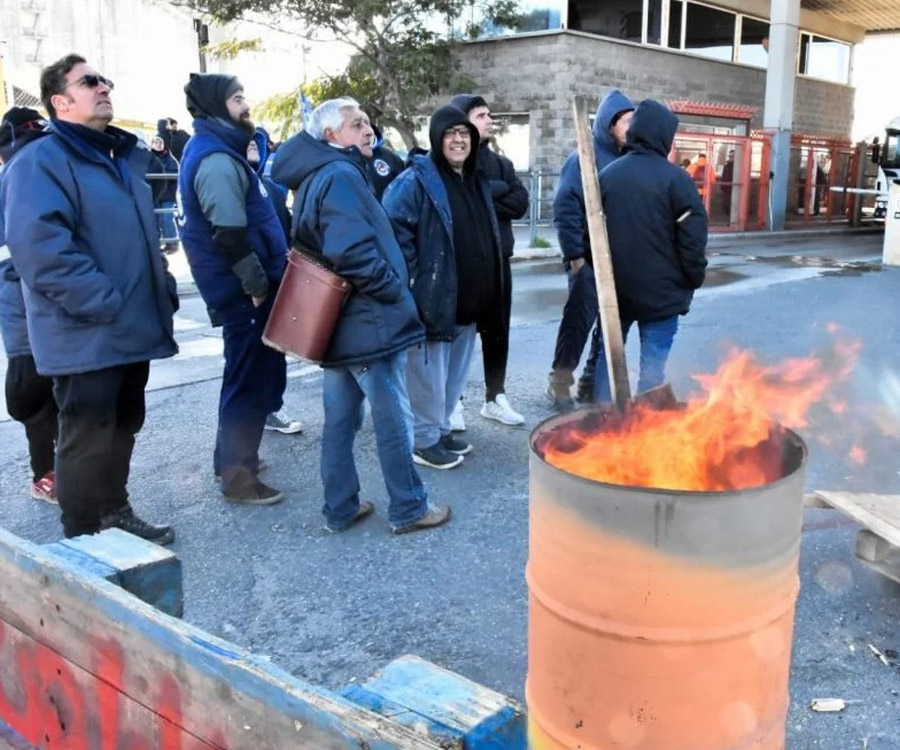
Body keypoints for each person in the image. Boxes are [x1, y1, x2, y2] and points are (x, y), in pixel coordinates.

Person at [1, 54, 178, 543]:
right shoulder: (40, 161)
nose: (104, 87)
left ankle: (113, 510)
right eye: (89, 82)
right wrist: (105, 302)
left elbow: (143, 238)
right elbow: (41, 251)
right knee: (85, 437)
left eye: (105, 80)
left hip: (128, 327)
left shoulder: (115, 156)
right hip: (86, 330)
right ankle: (84, 541)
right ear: (60, 101)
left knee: (123, 425)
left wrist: (160, 285)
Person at [272, 97, 450, 534]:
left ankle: (340, 508)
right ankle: (409, 508)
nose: (368, 130)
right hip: (366, 323)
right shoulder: (339, 174)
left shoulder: (323, 173)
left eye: (367, 122)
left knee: (341, 422)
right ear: (332, 135)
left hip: (344, 325)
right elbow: (349, 251)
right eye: (357, 124)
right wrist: (394, 288)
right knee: (393, 420)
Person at [178, 73, 288, 504]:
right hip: (245, 292)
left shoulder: (217, 150)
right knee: (247, 380)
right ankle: (239, 478)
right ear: (215, 107)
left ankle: (231, 458)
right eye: (238, 98)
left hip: (244, 289)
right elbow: (228, 234)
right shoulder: (217, 160)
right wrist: (257, 285)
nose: (247, 105)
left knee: (242, 376)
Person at [383, 105, 504, 469]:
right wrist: (416, 280)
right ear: (437, 138)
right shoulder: (416, 181)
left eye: (464, 134)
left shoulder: (475, 178)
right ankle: (424, 440)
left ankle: (439, 428)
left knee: (452, 376)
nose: (458, 140)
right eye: (450, 133)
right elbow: (392, 231)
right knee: (427, 376)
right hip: (434, 298)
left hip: (469, 301)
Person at [593, 99, 707, 402]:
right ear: (663, 136)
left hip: (615, 292)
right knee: (653, 368)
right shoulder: (677, 181)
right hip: (663, 296)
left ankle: (603, 420)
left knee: (609, 357)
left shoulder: (607, 177)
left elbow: (590, 233)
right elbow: (693, 240)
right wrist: (692, 279)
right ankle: (645, 429)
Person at [547, 88, 634, 408]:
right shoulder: (583, 157)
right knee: (578, 323)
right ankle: (559, 381)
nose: (632, 127)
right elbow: (565, 207)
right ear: (610, 124)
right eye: (627, 121)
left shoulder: (629, 158)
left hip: (618, 260)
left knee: (610, 327)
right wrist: (575, 256)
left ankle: (590, 381)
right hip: (587, 257)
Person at [450, 94, 529, 428]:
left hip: (499, 262)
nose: (489, 120)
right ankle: (452, 400)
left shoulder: (501, 163)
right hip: (463, 265)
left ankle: (495, 397)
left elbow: (520, 201)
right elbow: (459, 201)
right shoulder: (451, 162)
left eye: (489, 115)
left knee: (497, 333)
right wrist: (493, 193)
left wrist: (484, 194)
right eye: (481, 115)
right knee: (457, 335)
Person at [0, 107, 58, 504]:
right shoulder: (17, 174)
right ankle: (46, 474)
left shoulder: (36, 167)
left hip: (48, 301)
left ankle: (59, 470)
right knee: (32, 390)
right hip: (22, 301)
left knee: (56, 388)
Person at [246, 128, 302, 436]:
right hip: (252, 290)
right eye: (247, 139)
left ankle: (269, 409)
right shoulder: (236, 183)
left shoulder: (269, 188)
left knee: (274, 352)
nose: (254, 143)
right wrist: (253, 285)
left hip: (278, 283)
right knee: (250, 359)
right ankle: (254, 420)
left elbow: (288, 232)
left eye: (258, 140)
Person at [148, 135, 180, 254]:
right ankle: (161, 242)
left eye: (160, 142)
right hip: (154, 194)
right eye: (155, 142)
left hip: (167, 194)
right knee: (156, 219)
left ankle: (172, 243)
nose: (158, 144)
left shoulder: (170, 159)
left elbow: (173, 174)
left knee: (167, 218)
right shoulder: (148, 158)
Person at [366, 124, 405, 201]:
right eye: (357, 125)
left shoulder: (388, 155)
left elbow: (405, 185)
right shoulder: (340, 161)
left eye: (366, 123)